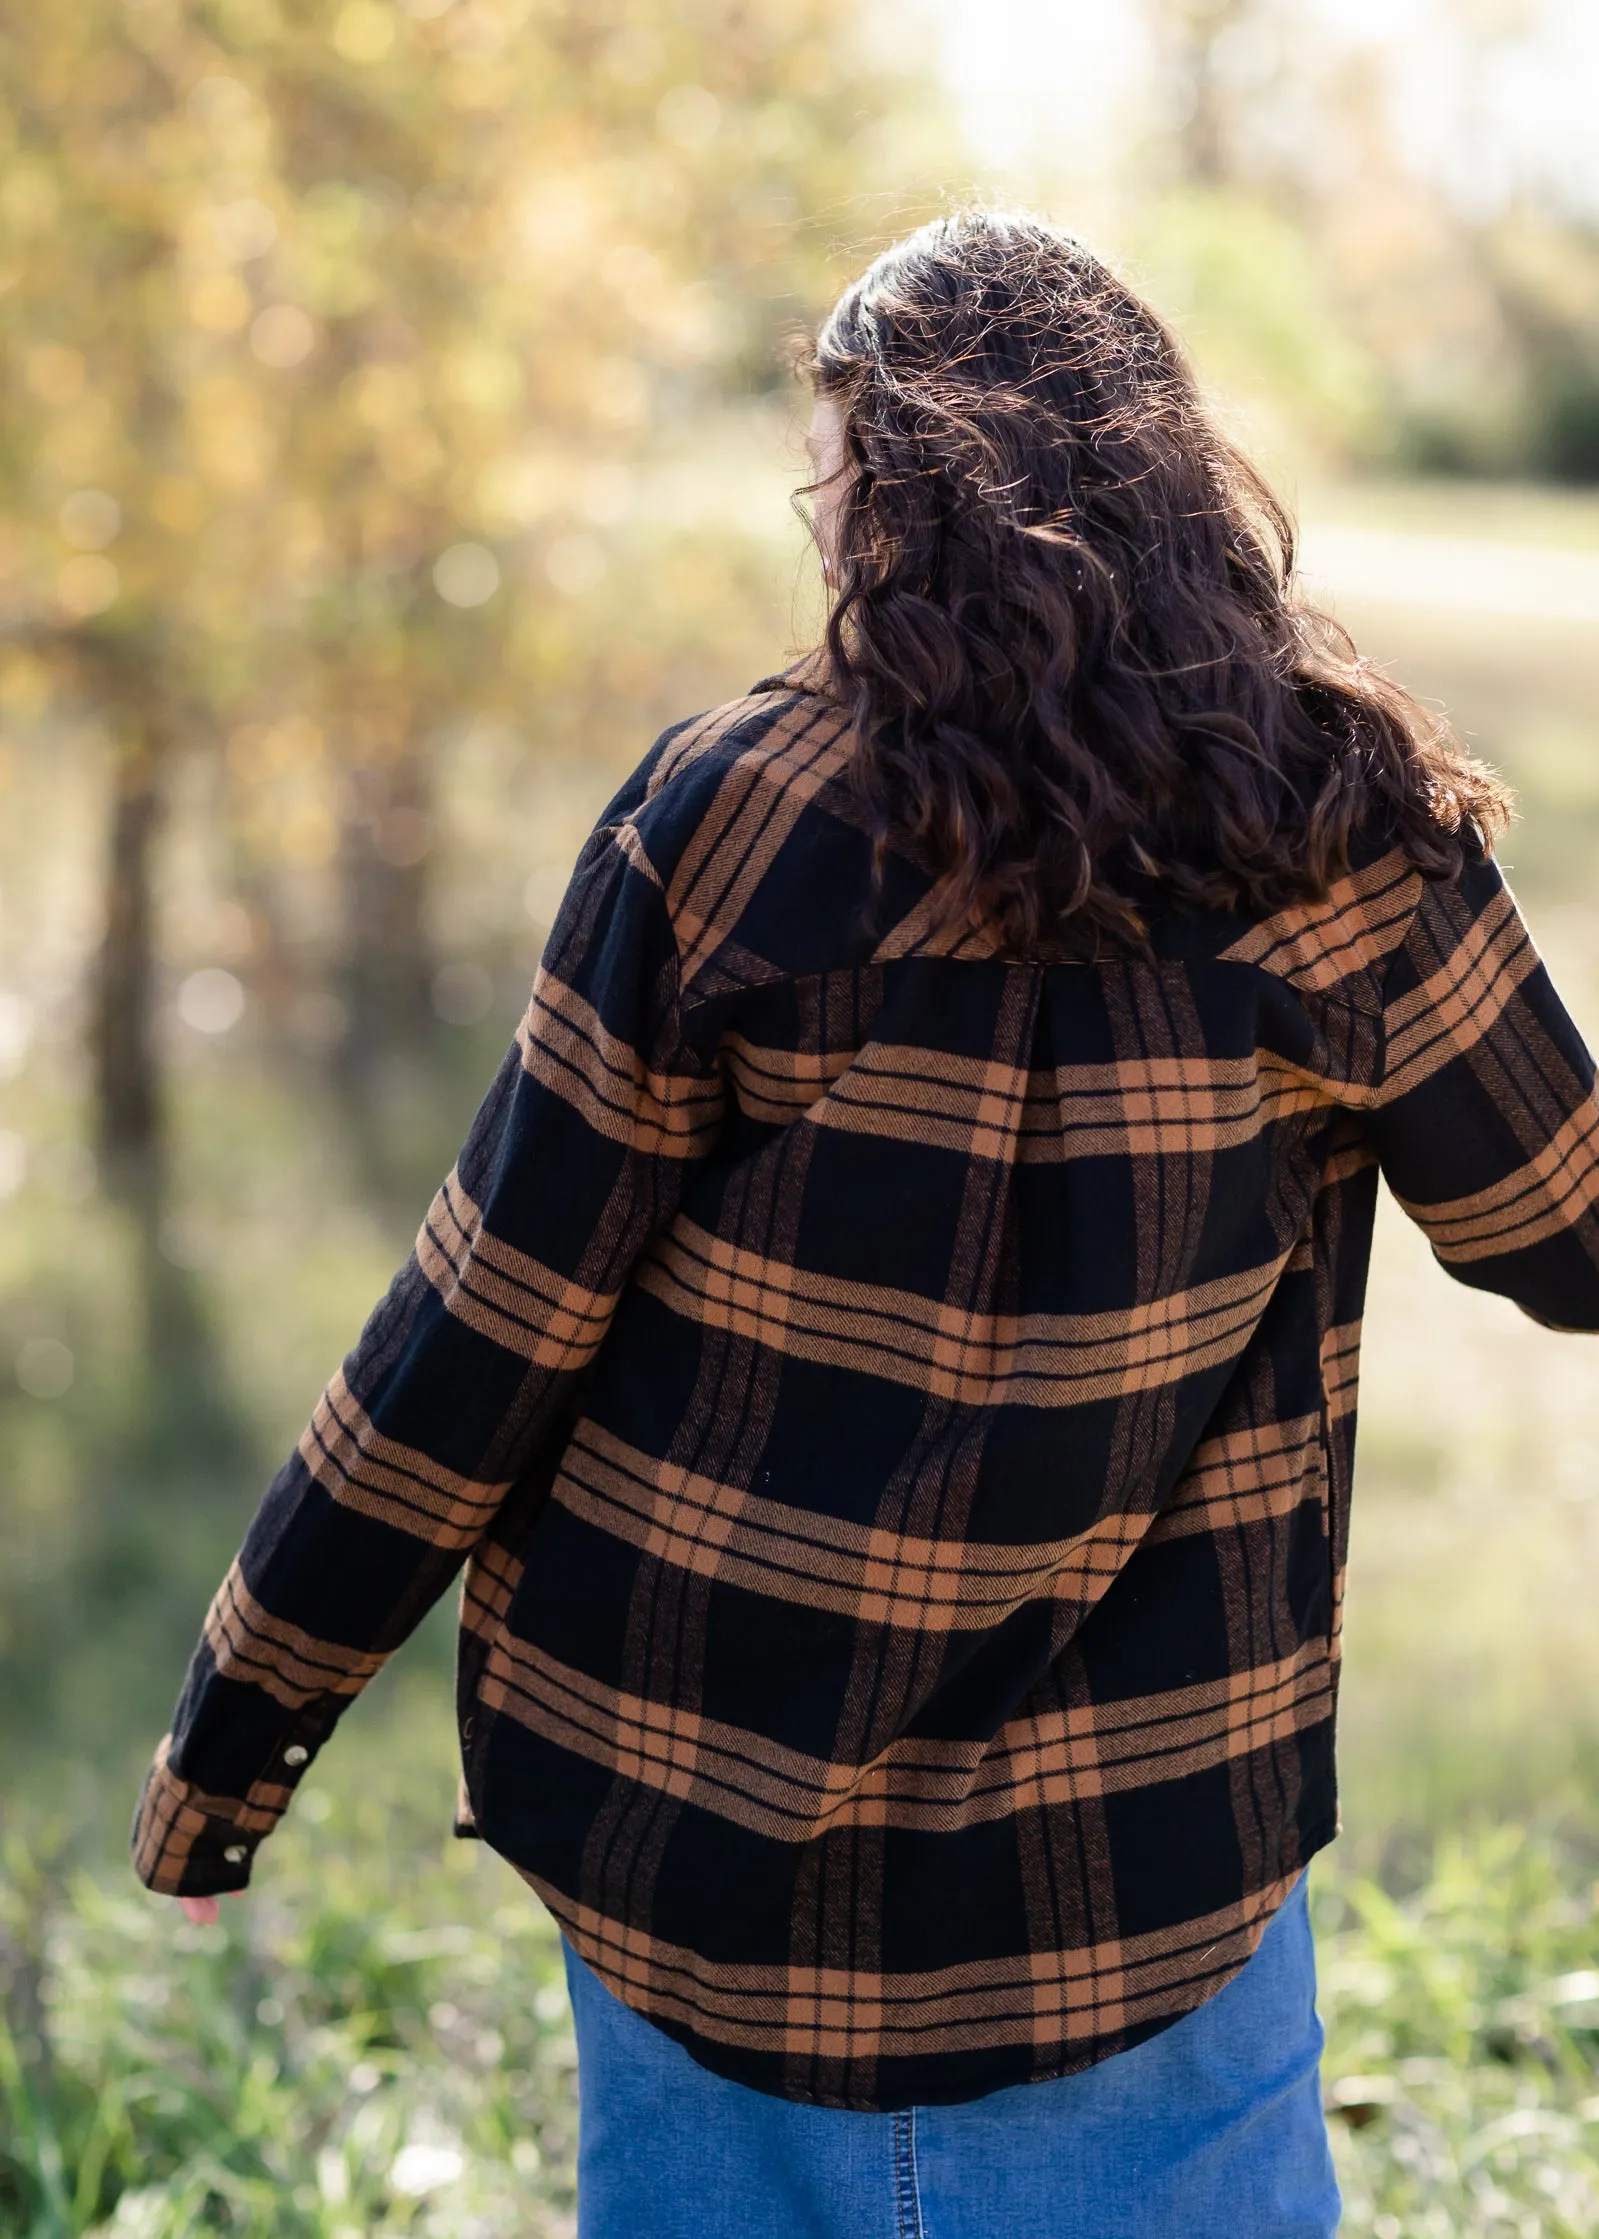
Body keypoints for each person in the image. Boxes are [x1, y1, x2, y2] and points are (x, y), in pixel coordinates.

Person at [132, 211, 1599, 2238]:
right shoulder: (1341, 831)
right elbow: (1568, 1232)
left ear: (883, 479)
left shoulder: (727, 816)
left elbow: (482, 1331)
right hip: (1143, 1876)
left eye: (829, 453)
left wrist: (243, 1723)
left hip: (700, 1863)